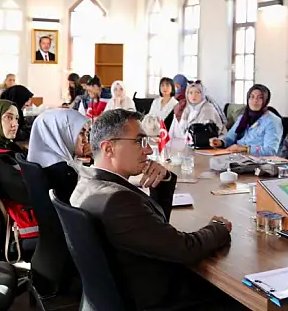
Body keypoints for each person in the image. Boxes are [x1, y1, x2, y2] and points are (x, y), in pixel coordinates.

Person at [70, 109, 234, 310]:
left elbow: (153, 229)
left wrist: (163, 182)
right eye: (139, 141)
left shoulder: (86, 183)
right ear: (108, 148)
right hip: (155, 299)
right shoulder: (118, 201)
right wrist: (218, 227)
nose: (148, 150)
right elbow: (186, 249)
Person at [27, 109, 90, 200]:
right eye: (81, 133)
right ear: (61, 133)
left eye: (86, 133)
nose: (86, 140)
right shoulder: (64, 171)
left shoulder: (37, 160)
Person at [209, 84, 282, 156]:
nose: (255, 100)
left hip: (258, 160)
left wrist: (245, 149)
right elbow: (229, 138)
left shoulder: (272, 121)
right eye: (252, 97)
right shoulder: (243, 118)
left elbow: (270, 150)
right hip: (237, 157)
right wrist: (220, 142)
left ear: (266, 100)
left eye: (260, 97)